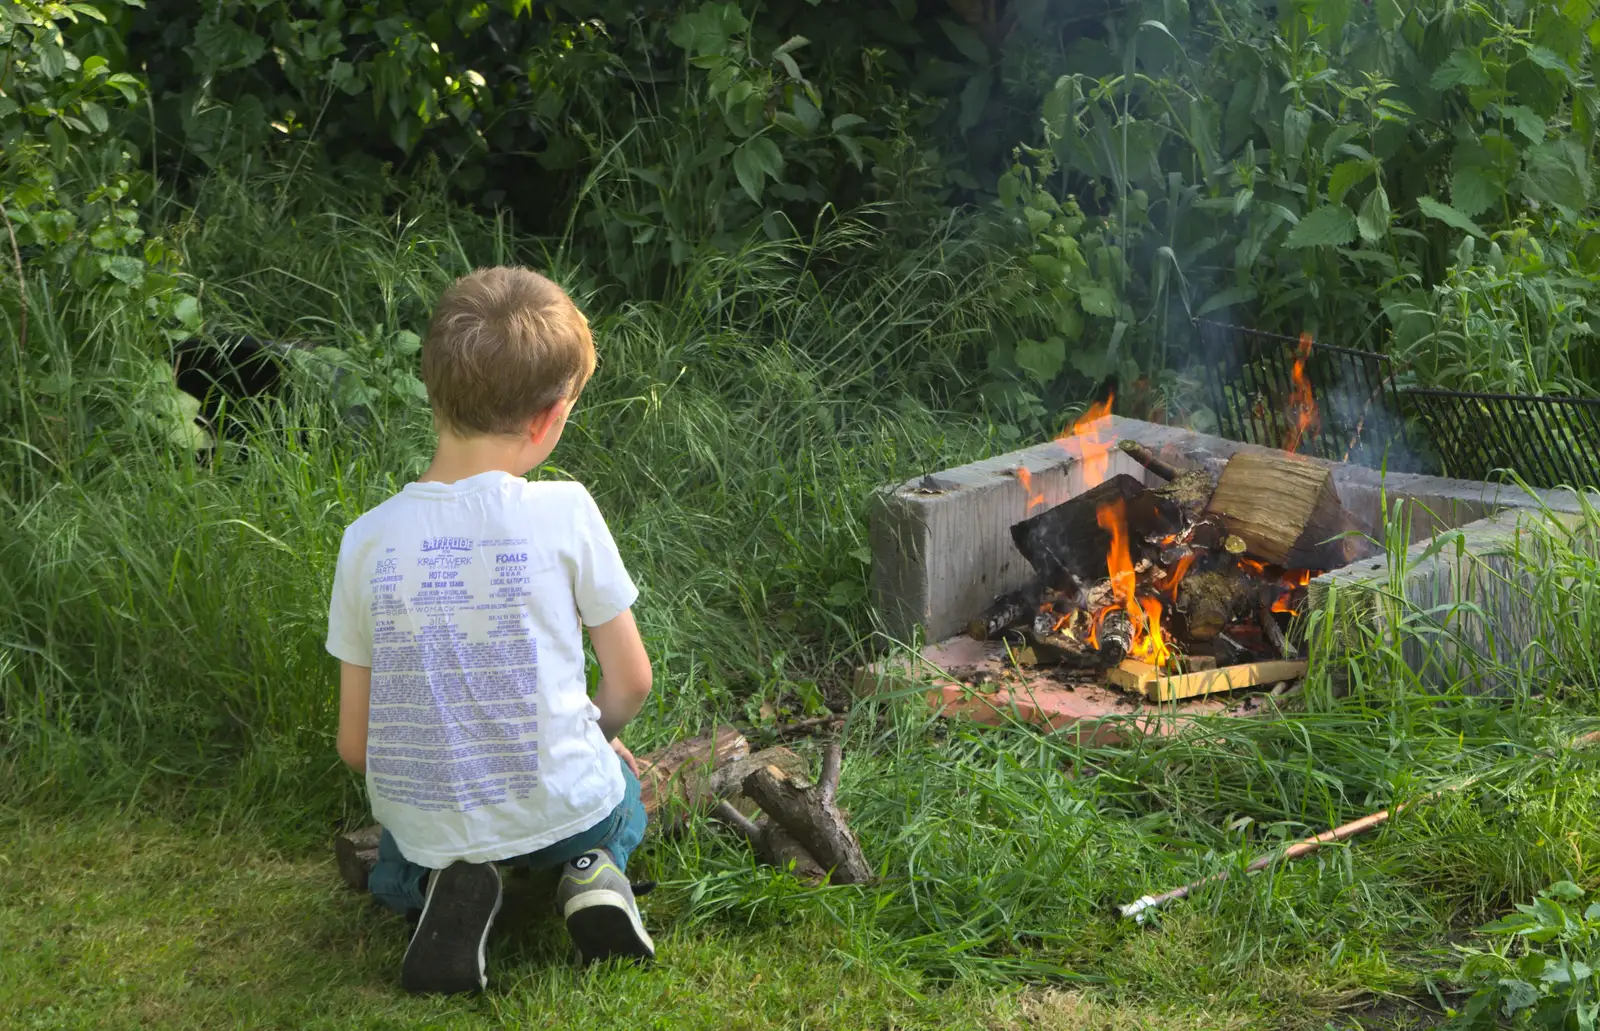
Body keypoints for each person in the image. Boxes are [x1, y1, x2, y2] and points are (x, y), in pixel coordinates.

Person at [325, 266, 655, 995]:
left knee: (398, 862)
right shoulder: (566, 510)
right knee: (621, 798)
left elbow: (355, 744)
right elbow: (632, 680)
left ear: (433, 394)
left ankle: (440, 890)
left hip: (430, 822)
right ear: (548, 419)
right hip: (563, 799)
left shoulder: (367, 540)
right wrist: (599, 736)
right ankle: (591, 871)